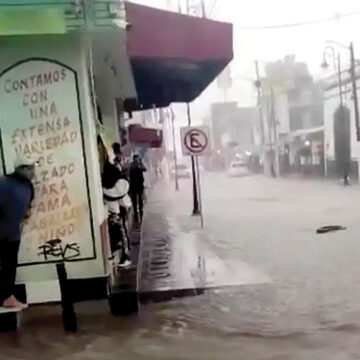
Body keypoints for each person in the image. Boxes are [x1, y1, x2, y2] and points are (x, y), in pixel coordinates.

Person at [0, 155, 36, 309]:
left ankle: (8, 297)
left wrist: (22, 221)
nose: (33, 171)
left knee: (9, 266)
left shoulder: (29, 187)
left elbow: (27, 209)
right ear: (21, 169)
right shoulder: (4, 183)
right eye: (29, 168)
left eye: (33, 167)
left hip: (12, 234)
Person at [102, 161, 132, 267]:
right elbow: (125, 201)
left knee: (118, 234)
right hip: (121, 211)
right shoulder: (120, 185)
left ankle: (123, 255)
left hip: (114, 213)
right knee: (123, 233)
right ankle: (125, 255)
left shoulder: (106, 187)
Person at [129, 154, 147, 221]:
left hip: (140, 185)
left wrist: (140, 165)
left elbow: (145, 169)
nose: (137, 160)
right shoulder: (132, 165)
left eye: (138, 159)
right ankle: (135, 212)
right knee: (134, 200)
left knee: (140, 199)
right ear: (134, 159)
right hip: (133, 185)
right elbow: (130, 171)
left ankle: (141, 210)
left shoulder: (140, 164)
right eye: (136, 159)